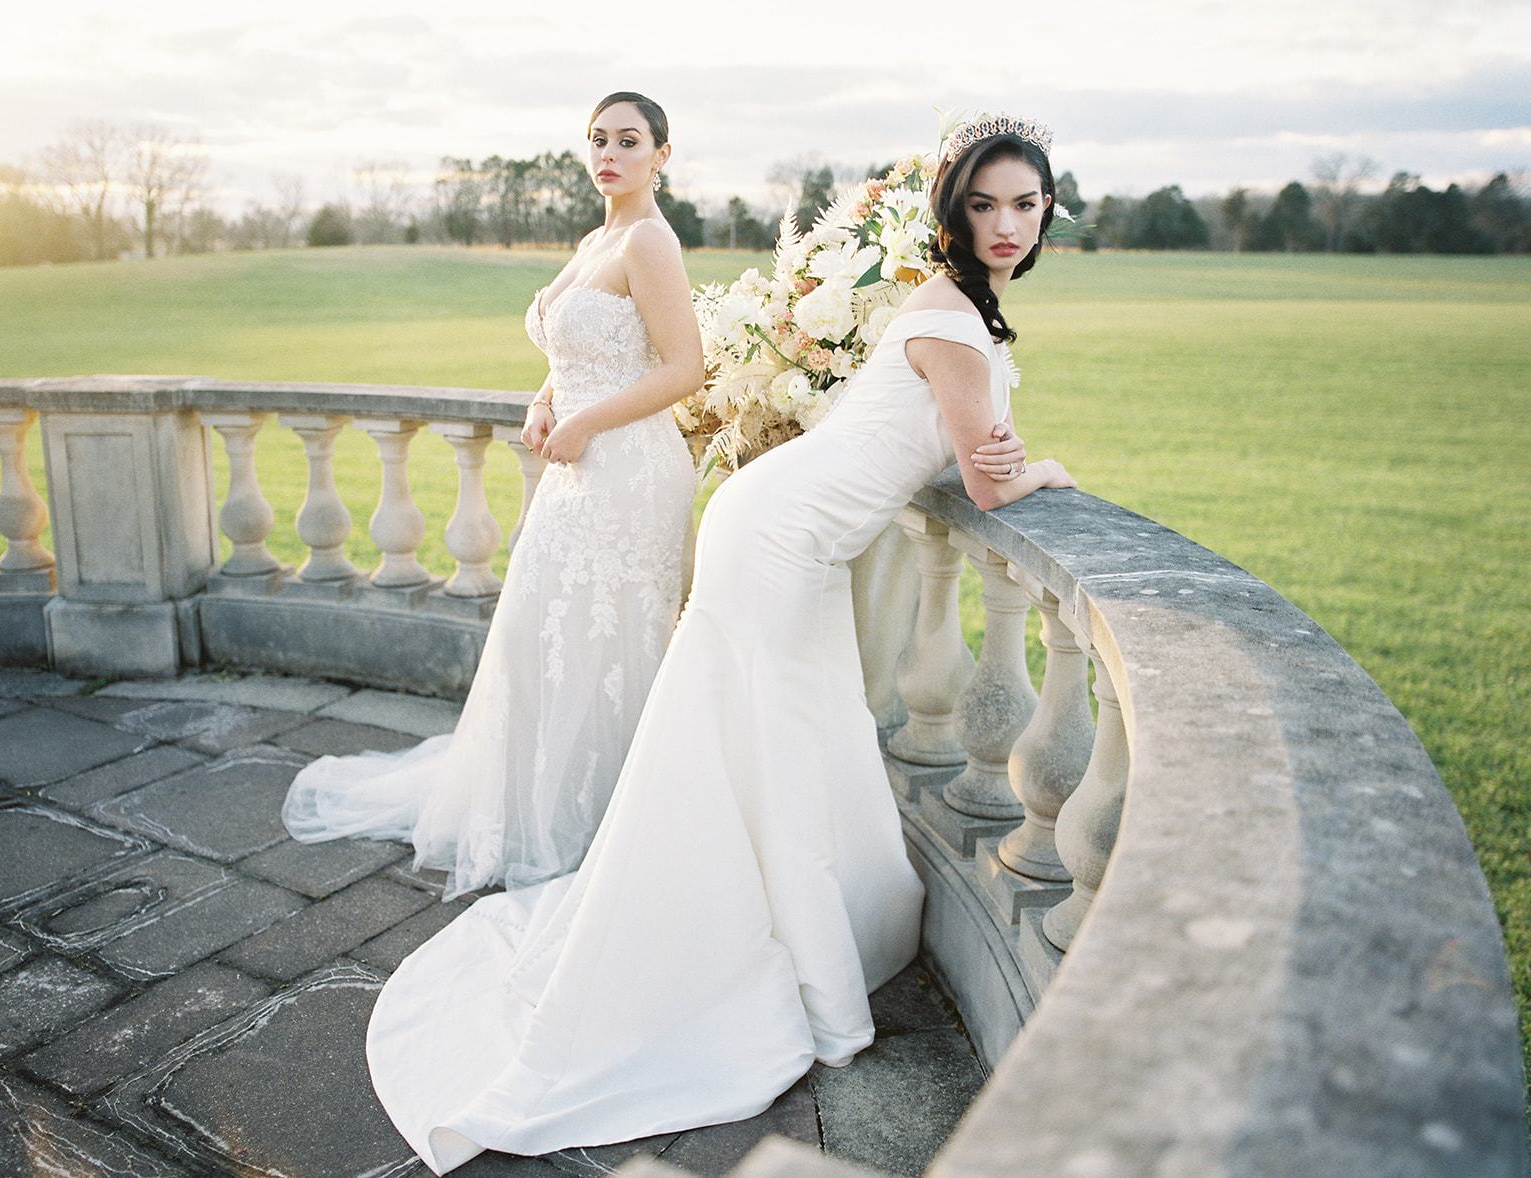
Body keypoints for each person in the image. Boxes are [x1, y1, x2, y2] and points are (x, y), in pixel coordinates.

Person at [365, 114, 1076, 1174]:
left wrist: (981, 446)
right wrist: (1042, 471)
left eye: (1024, 203)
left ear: (1047, 208)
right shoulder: (956, 321)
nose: (1005, 223)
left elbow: (919, 441)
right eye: (983, 203)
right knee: (759, 737)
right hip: (778, 536)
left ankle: (783, 935)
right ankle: (761, 970)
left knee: (769, 731)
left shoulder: (947, 307)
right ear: (950, 211)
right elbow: (988, 478)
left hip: (774, 522)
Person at [280, 92, 700, 898]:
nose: (609, 153)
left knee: (604, 639)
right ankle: (533, 800)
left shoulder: (650, 241)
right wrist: (547, 402)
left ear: (662, 155)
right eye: (597, 139)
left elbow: (683, 368)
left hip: (627, 470)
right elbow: (579, 349)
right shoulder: (595, 239)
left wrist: (584, 426)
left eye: (628, 140)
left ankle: (603, 816)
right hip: (578, 464)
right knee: (543, 634)